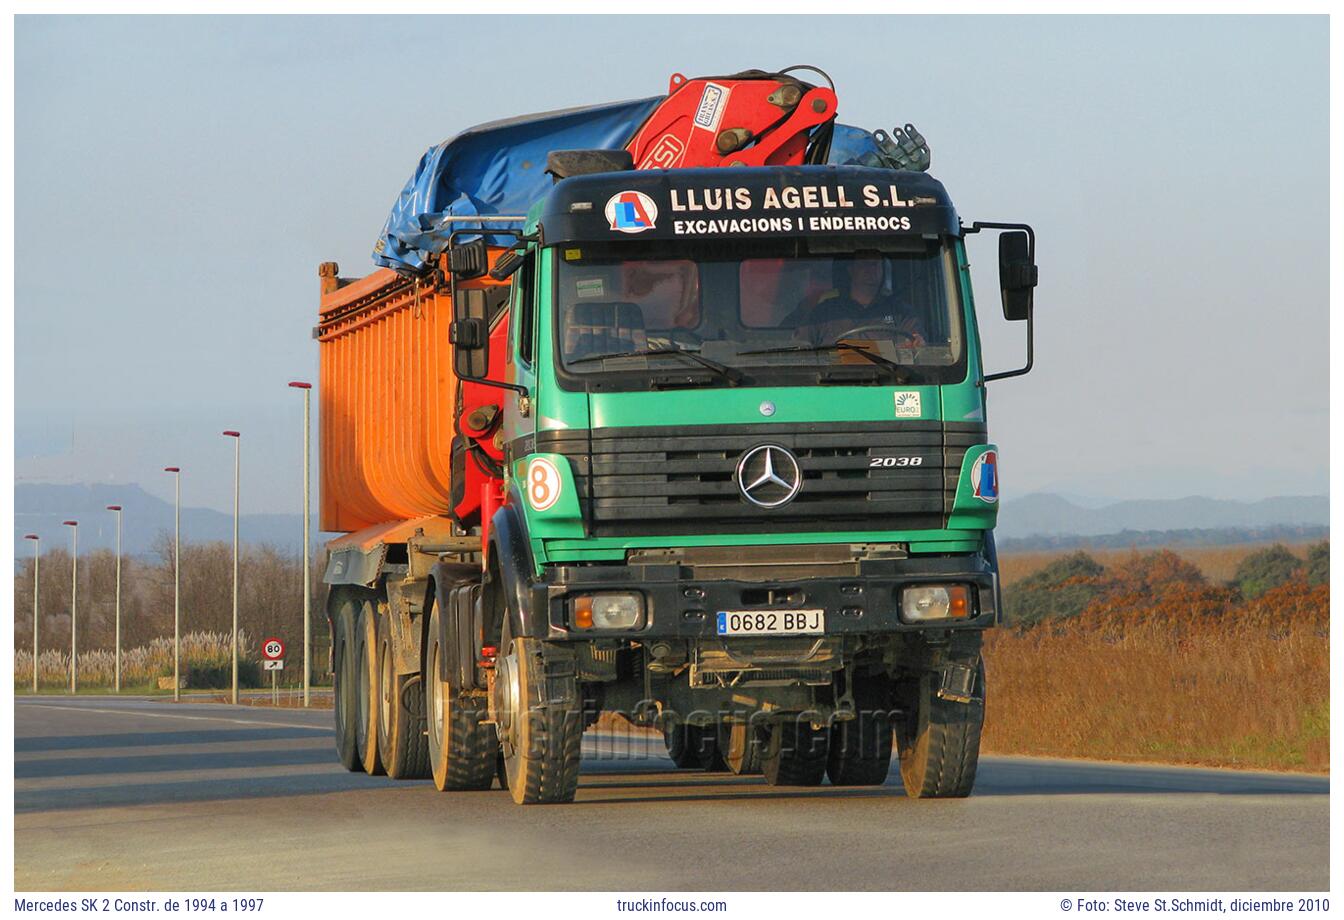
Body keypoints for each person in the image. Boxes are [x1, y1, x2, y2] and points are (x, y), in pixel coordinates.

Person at [782, 256, 927, 345]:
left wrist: (917, 343)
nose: (872, 269)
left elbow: (917, 344)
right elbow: (800, 349)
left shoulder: (901, 313)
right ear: (850, 270)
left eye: (876, 263)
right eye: (865, 263)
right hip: (830, 385)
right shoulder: (824, 312)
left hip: (891, 382)